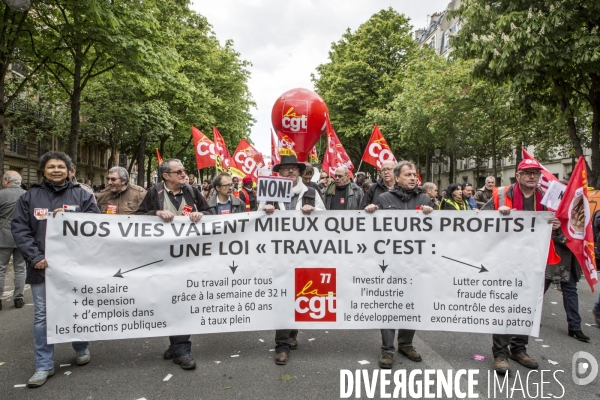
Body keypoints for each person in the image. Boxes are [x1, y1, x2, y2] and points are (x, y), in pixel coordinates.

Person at [11, 151, 100, 388]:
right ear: (44, 170)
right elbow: (20, 228)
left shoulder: (83, 195)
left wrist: (72, 215)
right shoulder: (30, 197)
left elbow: (98, 223)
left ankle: (81, 346)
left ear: (69, 170)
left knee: (77, 308)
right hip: (42, 267)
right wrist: (35, 256)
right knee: (42, 316)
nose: (56, 170)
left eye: (61, 166)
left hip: (76, 266)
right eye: (51, 167)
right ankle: (43, 365)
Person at [483, 159, 561, 374]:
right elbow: (479, 222)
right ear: (518, 176)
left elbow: (560, 231)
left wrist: (556, 226)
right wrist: (497, 216)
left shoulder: (547, 199)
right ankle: (500, 353)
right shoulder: (500, 195)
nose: (532, 177)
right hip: (505, 261)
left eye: (535, 173)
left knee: (527, 306)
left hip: (534, 262)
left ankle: (519, 348)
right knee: (504, 306)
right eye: (527, 173)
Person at [135, 158, 209, 370]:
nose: (183, 174)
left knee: (183, 300)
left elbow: (211, 214)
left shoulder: (192, 192)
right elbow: (138, 217)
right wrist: (155, 213)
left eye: (184, 171)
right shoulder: (154, 193)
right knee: (168, 301)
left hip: (189, 258)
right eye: (178, 172)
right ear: (166, 176)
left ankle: (182, 350)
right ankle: (176, 344)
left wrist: (201, 214)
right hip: (162, 259)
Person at [365, 161, 433, 368]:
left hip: (415, 263)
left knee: (412, 304)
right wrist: (370, 212)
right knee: (389, 305)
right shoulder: (384, 199)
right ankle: (387, 350)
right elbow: (373, 229)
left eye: (415, 174)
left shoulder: (424, 199)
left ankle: (406, 343)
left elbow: (438, 231)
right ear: (397, 177)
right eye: (408, 175)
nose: (413, 178)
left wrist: (433, 213)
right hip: (390, 263)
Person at [259, 153, 325, 366]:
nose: (290, 171)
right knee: (282, 296)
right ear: (278, 172)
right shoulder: (269, 191)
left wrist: (313, 211)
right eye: (285, 168)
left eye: (293, 168)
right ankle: (282, 346)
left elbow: (325, 218)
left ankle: (292, 334)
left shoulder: (312, 192)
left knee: (301, 292)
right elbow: (256, 218)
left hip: (304, 252)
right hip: (278, 253)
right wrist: (266, 210)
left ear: (298, 171)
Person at [0, 171, 26, 311]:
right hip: (22, 237)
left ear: (6, 181)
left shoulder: (1, 195)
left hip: (3, 237)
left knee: (0, 269)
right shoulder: (27, 195)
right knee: (20, 268)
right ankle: (18, 298)